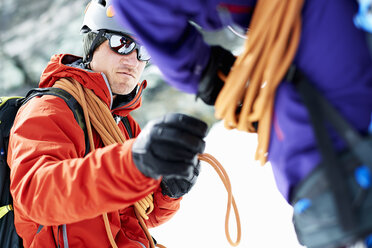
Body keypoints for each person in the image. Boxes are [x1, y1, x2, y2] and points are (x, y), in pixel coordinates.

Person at [112, 0, 372, 247]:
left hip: (340, 178)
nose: (132, 58)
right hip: (343, 176)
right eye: (119, 44)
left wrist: (205, 71)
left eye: (138, 50)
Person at [7, 0, 207, 247]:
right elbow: (37, 196)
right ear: (92, 43)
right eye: (122, 44)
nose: (133, 60)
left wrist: (168, 192)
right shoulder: (48, 110)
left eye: (144, 50)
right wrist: (131, 165)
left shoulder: (123, 123)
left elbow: (136, 215)